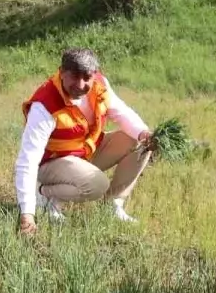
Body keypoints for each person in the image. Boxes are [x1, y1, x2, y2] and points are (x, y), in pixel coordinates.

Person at [15, 47, 154, 236]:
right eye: (74, 76)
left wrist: (144, 133)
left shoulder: (99, 85)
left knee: (141, 142)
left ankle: (113, 206)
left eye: (86, 77)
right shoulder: (45, 105)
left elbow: (121, 113)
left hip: (84, 152)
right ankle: (45, 194)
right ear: (62, 72)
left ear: (94, 74)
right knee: (97, 185)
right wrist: (27, 214)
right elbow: (27, 161)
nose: (80, 85)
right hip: (51, 164)